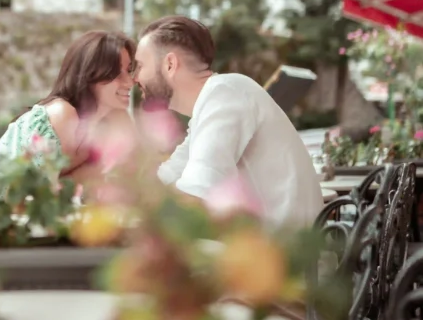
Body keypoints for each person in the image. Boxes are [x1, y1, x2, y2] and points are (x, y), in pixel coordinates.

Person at [133, 15, 324, 228]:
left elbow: (196, 196)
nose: (134, 78)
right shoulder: (213, 104)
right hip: (273, 251)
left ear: (170, 64)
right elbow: (166, 178)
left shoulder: (225, 94)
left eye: (140, 66)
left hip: (286, 256)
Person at [0, 30, 136, 184]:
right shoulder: (62, 115)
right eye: (116, 72)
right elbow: (32, 193)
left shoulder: (117, 118)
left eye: (129, 70)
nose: (130, 82)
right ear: (89, 75)